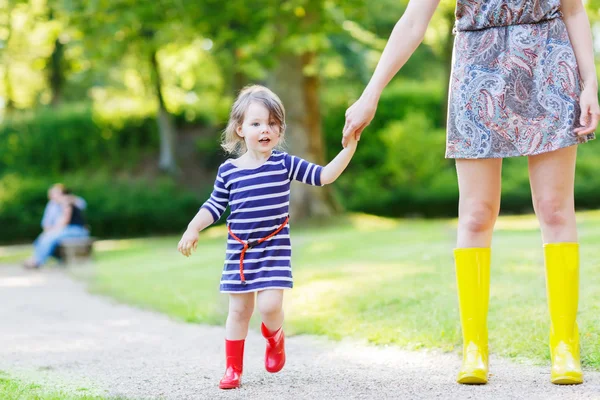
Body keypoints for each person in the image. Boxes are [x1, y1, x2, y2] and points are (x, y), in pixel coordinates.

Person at [342, 0, 598, 385]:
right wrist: (370, 93)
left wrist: (590, 82)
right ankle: (474, 347)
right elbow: (414, 22)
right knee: (476, 214)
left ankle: (565, 345)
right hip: (478, 66)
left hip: (550, 61)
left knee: (555, 210)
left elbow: (575, 11)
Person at [177, 85, 357, 389]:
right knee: (238, 310)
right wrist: (193, 228)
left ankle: (275, 338)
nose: (265, 129)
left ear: (280, 130)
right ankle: (233, 369)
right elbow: (214, 205)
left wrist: (349, 148)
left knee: (271, 306)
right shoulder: (229, 171)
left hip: (274, 247)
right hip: (241, 251)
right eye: (257, 123)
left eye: (273, 124)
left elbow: (324, 176)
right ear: (240, 129)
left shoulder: (284, 164)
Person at [24, 188, 90, 269]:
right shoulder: (54, 205)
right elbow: (48, 223)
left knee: (50, 238)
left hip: (76, 230)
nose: (52, 196)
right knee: (43, 238)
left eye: (54, 194)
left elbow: (65, 220)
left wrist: (54, 230)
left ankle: (38, 261)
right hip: (68, 229)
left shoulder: (68, 201)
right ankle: (36, 259)